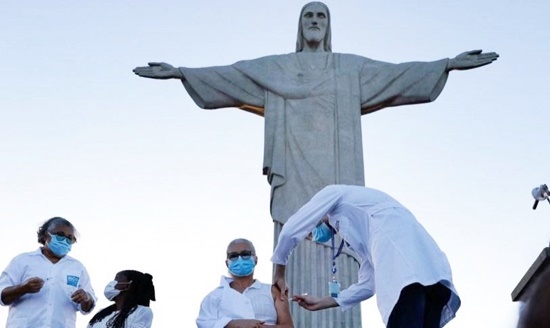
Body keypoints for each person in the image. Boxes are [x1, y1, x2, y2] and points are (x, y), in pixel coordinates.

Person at [133, 2, 496, 326]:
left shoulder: (336, 188)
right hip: (427, 275)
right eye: (308, 15)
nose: (314, 21)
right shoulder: (361, 230)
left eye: (321, 15)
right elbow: (234, 74)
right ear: (299, 25)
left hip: (397, 255)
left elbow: (397, 74)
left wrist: (446, 65)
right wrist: (182, 72)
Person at [271, 184, 461, 328]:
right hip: (433, 278)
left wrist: (279, 272)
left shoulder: (335, 193)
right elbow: (369, 284)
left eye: (311, 231)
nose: (314, 235)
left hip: (406, 277)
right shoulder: (366, 225)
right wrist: (324, 302)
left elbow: (290, 230)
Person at [0, 217, 97, 328]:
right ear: (46, 235)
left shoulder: (77, 267)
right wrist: (23, 288)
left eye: (70, 238)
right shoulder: (23, 260)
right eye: (60, 235)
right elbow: (1, 295)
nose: (65, 240)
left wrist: (86, 298)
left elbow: (88, 307)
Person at [196, 238, 294, 328]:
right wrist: (233, 324)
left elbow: (288, 326)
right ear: (227, 263)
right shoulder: (214, 297)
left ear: (256, 259)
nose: (240, 259)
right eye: (233, 256)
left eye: (245, 254)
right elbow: (204, 323)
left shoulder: (273, 291)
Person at [87, 270, 156, 328]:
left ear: (127, 286)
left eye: (116, 279)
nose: (111, 283)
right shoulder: (101, 313)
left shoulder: (142, 311)